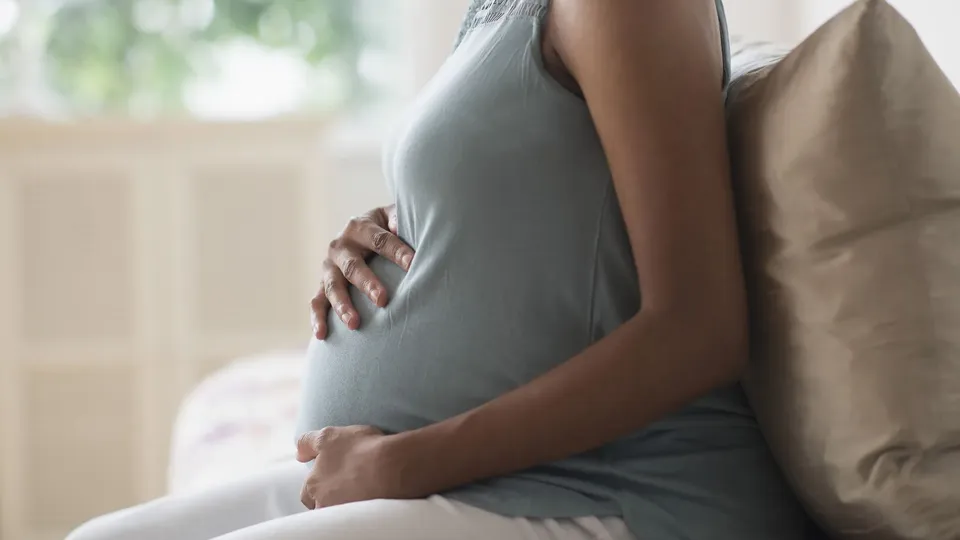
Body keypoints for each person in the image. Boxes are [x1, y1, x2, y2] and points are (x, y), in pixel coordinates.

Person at [67, 0, 806, 539]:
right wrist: (386, 233)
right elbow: (538, 216)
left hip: (623, 493)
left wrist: (403, 466)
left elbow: (700, 328)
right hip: (489, 480)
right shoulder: (499, 12)